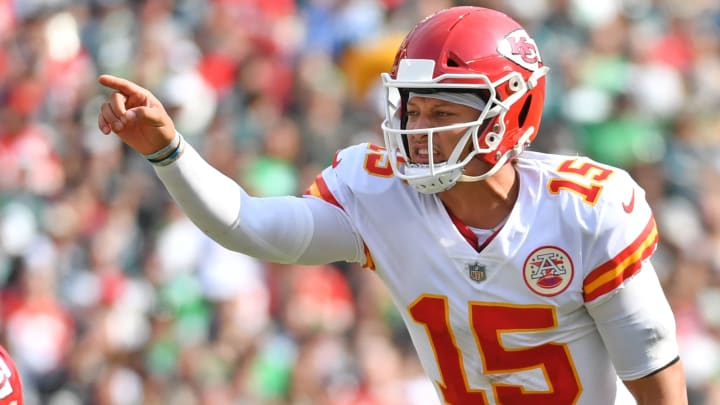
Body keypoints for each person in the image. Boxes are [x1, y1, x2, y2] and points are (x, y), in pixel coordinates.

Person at [97, 6, 688, 405]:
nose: (416, 130)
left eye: (443, 112)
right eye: (412, 109)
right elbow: (247, 225)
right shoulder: (379, 195)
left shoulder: (588, 211)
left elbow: (657, 381)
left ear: (510, 113)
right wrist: (168, 151)